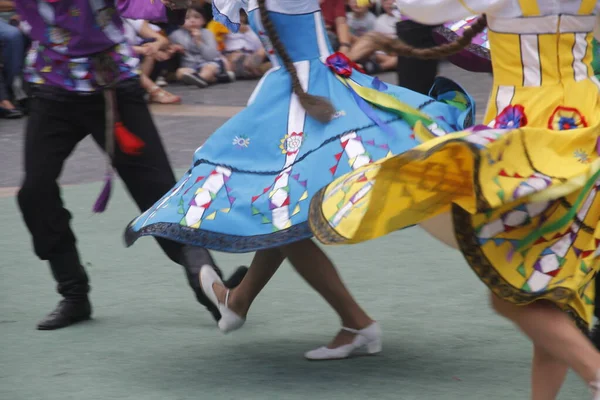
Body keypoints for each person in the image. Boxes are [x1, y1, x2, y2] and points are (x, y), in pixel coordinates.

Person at [124, 0, 476, 359]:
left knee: (283, 207)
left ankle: (357, 323)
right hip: (292, 94)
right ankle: (239, 300)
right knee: (280, 207)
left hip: (315, 97)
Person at [309, 0, 600, 397]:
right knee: (548, 288)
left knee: (512, 295)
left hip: (526, 132)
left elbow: (427, 11)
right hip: (587, 129)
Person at [15, 0, 247, 331]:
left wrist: (171, 5)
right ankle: (73, 293)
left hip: (112, 86)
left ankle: (213, 290)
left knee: (159, 195)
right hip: (53, 86)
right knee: (34, 192)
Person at [169, 6, 235, 88]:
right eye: (187, 18)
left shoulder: (207, 33)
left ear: (203, 20)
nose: (192, 20)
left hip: (208, 63)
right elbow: (169, 51)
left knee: (209, 69)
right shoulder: (175, 35)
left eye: (196, 17)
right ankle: (213, 79)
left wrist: (199, 42)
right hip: (190, 67)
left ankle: (202, 78)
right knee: (180, 72)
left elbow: (211, 56)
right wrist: (174, 48)